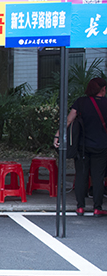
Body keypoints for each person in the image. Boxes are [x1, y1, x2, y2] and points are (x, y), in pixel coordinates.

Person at [54, 77, 107, 217]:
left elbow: (69, 120)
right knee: (98, 177)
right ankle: (97, 208)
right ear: (102, 89)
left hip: (82, 146)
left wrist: (58, 135)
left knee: (81, 175)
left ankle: (80, 207)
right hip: (101, 146)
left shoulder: (81, 102)